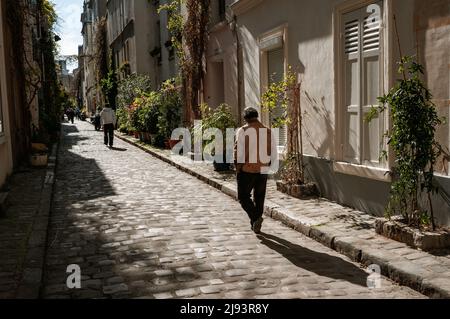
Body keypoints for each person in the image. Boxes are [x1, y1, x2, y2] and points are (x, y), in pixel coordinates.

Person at [234, 107, 274, 234]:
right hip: (263, 168)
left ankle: (256, 218)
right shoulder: (267, 131)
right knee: (259, 197)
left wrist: (237, 168)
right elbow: (272, 151)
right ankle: (255, 222)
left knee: (243, 197)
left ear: (245, 118)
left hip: (247, 169)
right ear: (257, 116)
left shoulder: (243, 131)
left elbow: (238, 152)